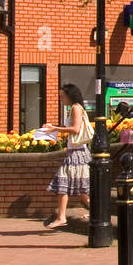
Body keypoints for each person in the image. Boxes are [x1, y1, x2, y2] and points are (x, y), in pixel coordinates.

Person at [42, 84, 92, 229]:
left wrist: (55, 129)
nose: (60, 99)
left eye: (62, 96)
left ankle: (61, 217)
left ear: (70, 95)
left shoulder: (76, 108)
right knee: (82, 190)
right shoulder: (74, 108)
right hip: (75, 151)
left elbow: (75, 129)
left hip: (77, 153)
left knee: (62, 183)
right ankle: (98, 212)